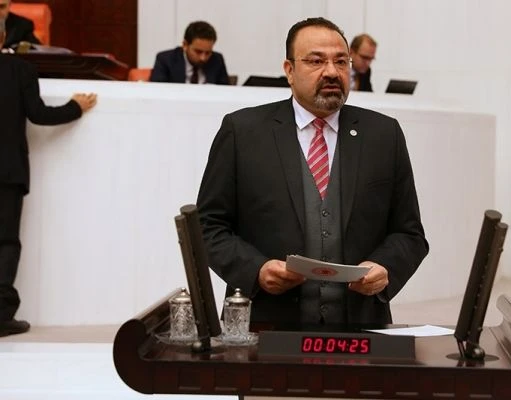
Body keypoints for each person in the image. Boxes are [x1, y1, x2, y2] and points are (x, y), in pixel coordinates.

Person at [196, 17, 428, 326]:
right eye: (316, 61)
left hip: (360, 329)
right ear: (289, 70)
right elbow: (208, 226)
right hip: (265, 327)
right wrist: (256, 270)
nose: (331, 72)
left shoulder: (384, 135)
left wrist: (385, 267)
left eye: (341, 61)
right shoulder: (242, 132)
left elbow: (409, 233)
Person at [0, 18, 97, 337]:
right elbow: (39, 114)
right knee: (5, 243)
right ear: (4, 36)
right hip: (7, 171)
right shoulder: (20, 70)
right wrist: (75, 107)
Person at [150, 21, 229, 85]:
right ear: (185, 45)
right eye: (198, 52)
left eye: (208, 53)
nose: (203, 58)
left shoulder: (217, 60)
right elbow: (157, 92)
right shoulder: (165, 60)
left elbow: (225, 92)